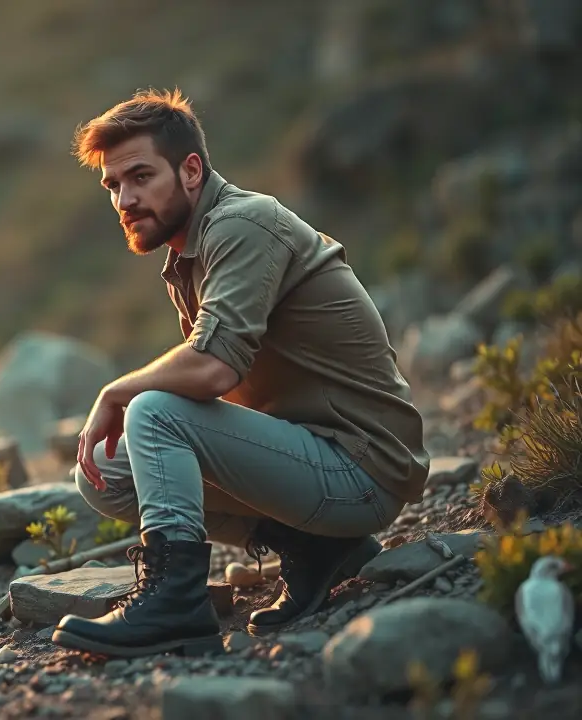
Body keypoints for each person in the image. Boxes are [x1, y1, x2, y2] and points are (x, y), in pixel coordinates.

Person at [49, 88, 430, 658]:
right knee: (104, 469)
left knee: (153, 410)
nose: (125, 198)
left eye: (141, 177)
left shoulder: (242, 225)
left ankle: (176, 605)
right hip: (313, 454)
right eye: (113, 185)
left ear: (191, 170)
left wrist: (116, 390)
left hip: (363, 468)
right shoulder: (189, 254)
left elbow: (212, 370)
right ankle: (317, 548)